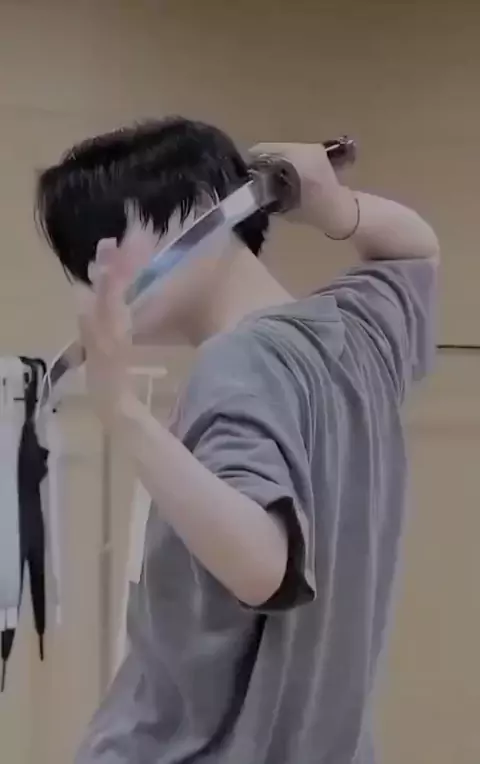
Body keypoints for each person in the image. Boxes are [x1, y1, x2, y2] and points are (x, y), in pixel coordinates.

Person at [35, 117, 439, 764]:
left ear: (201, 207)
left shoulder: (236, 365)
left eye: (104, 243)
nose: (93, 279)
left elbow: (263, 567)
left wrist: (123, 413)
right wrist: (335, 209)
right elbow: (415, 251)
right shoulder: (355, 333)